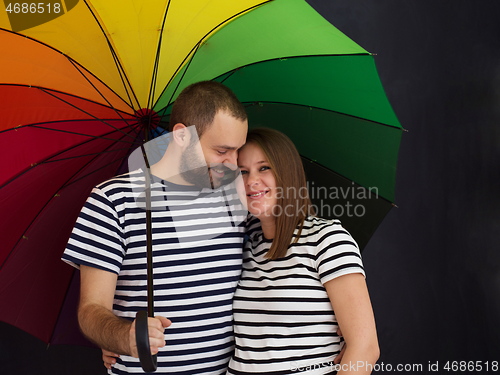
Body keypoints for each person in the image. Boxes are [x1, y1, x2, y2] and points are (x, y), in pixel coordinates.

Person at [62, 81, 249, 374]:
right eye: (222, 150)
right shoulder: (113, 200)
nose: (233, 164)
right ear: (182, 136)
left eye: (238, 151)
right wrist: (122, 336)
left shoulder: (236, 198)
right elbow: (90, 311)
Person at [226, 128, 379, 375]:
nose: (251, 180)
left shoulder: (327, 239)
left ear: (288, 173)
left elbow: (365, 349)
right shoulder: (246, 244)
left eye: (264, 168)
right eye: (242, 172)